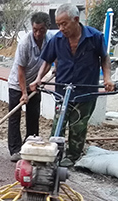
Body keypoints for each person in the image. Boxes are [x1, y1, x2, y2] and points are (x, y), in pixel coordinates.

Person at [30, 3, 115, 167]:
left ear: (76, 20)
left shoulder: (94, 37)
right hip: (63, 90)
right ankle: (53, 153)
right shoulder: (57, 39)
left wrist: (107, 78)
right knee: (58, 124)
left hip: (85, 91)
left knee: (78, 126)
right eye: (59, 24)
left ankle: (73, 156)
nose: (61, 28)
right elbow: (47, 61)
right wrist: (38, 78)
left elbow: (104, 58)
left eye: (64, 24)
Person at [7, 12, 51, 162]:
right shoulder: (25, 43)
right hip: (17, 84)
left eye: (41, 30)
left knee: (33, 116)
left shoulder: (50, 40)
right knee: (15, 116)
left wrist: (39, 80)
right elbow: (20, 70)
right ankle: (15, 150)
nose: (38, 33)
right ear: (32, 28)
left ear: (47, 28)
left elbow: (50, 61)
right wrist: (23, 92)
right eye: (35, 30)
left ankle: (31, 147)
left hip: (34, 84)